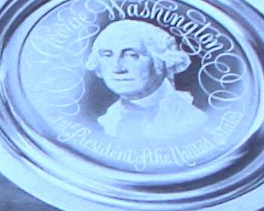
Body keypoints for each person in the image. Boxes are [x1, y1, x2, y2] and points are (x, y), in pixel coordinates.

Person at [84, 18, 209, 146]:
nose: (117, 68)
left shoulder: (194, 119)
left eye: (131, 55)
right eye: (107, 55)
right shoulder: (105, 120)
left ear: (160, 61)